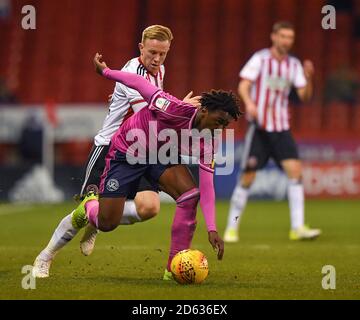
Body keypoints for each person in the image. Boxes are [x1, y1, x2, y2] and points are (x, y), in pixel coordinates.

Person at [33, 25, 199, 278]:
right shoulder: (131, 72)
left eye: (162, 54)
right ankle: (46, 256)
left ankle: (97, 219)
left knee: (149, 208)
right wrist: (183, 107)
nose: (157, 59)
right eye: (152, 52)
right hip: (111, 148)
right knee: (96, 216)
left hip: (143, 147)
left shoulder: (159, 70)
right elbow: (153, 108)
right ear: (141, 47)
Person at [68, 52, 241, 280]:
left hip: (159, 155)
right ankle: (90, 206)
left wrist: (212, 229)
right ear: (204, 111)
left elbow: (207, 186)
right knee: (107, 223)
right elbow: (139, 82)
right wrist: (106, 72)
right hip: (128, 151)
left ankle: (173, 269)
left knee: (190, 195)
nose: (220, 128)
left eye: (225, 124)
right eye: (218, 121)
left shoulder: (211, 140)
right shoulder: (173, 108)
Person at [224, 21, 321, 242]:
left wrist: (308, 78)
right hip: (259, 128)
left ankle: (297, 228)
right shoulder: (260, 59)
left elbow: (304, 97)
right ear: (274, 37)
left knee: (295, 173)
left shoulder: (294, 65)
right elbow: (243, 85)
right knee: (247, 178)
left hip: (281, 128)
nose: (287, 41)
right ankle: (232, 228)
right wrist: (249, 103)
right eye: (283, 36)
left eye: (290, 37)